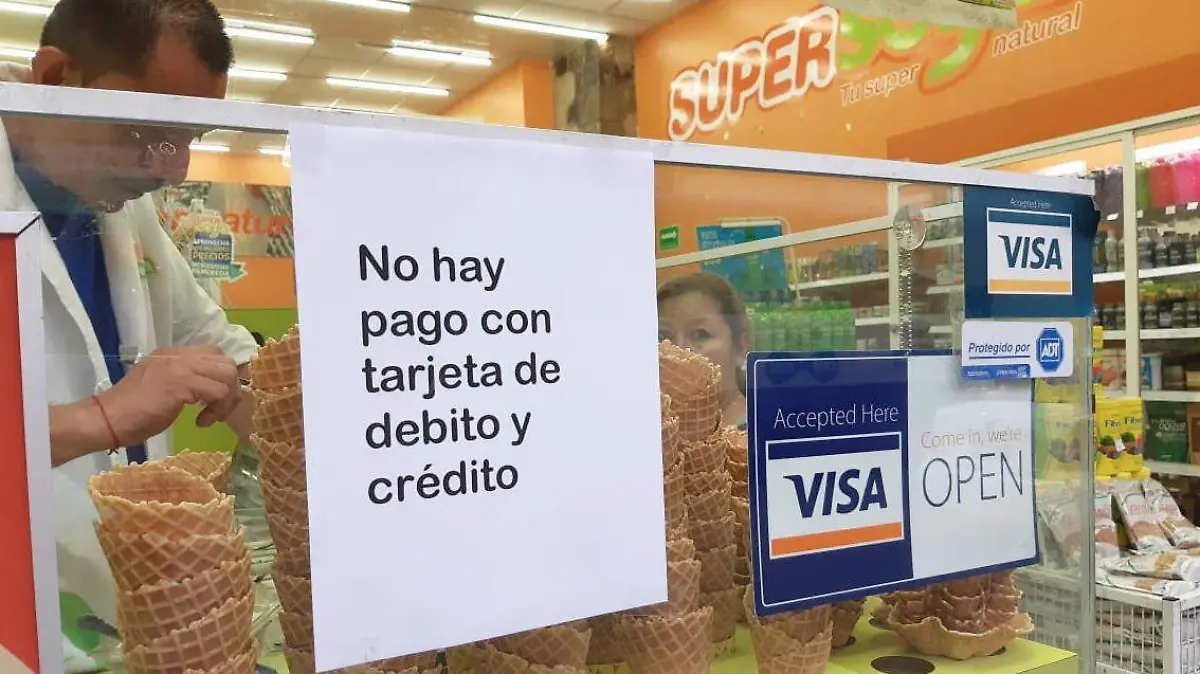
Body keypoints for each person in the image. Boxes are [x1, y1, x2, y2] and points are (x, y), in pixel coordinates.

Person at [0, 0, 257, 669]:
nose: (172, 170)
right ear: (55, 78)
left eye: (188, 137)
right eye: (145, 130)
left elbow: (222, 348)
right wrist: (102, 417)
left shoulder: (117, 206)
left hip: (130, 619)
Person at [657, 273, 751, 428]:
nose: (679, 350)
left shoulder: (768, 433)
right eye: (663, 336)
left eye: (699, 334)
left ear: (740, 347)